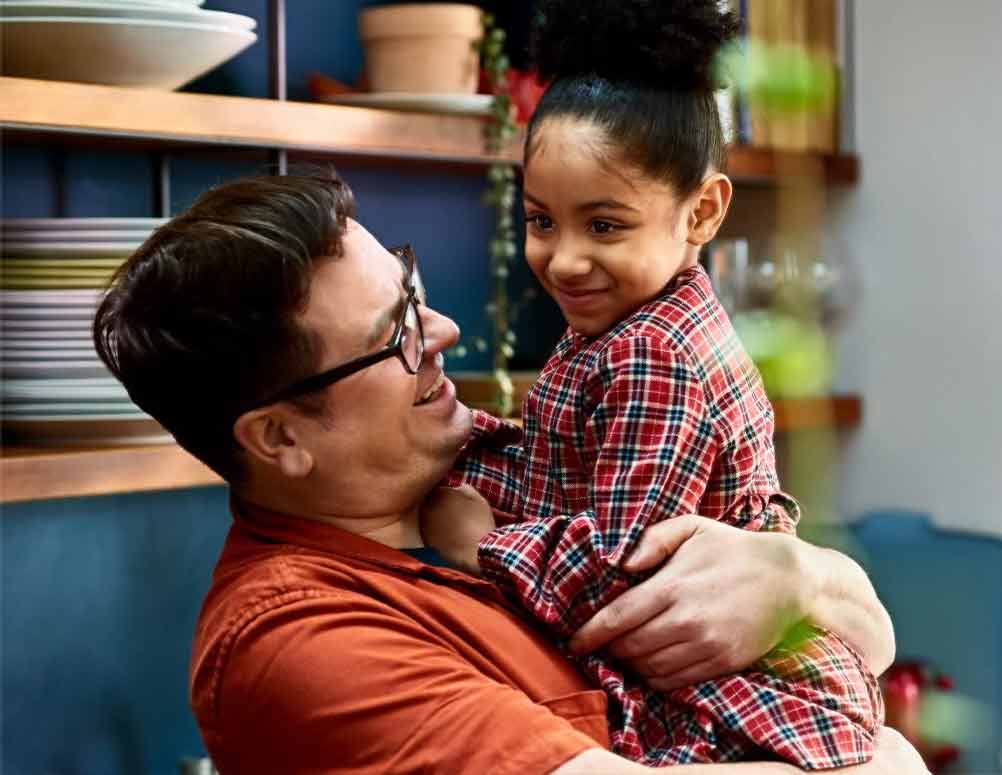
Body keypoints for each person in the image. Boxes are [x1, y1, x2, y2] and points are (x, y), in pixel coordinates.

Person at [92, 172, 923, 775]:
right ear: (279, 437)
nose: (446, 328)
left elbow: (874, 639)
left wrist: (798, 574)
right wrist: (884, 760)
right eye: (398, 335)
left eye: (415, 291)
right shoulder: (294, 645)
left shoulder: (497, 468)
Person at [421, 0, 880, 769]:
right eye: (541, 221)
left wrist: (480, 542)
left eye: (604, 226)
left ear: (701, 211)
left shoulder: (653, 355)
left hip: (735, 705)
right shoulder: (620, 325)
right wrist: (462, 446)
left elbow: (622, 573)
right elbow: (556, 468)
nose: (564, 259)